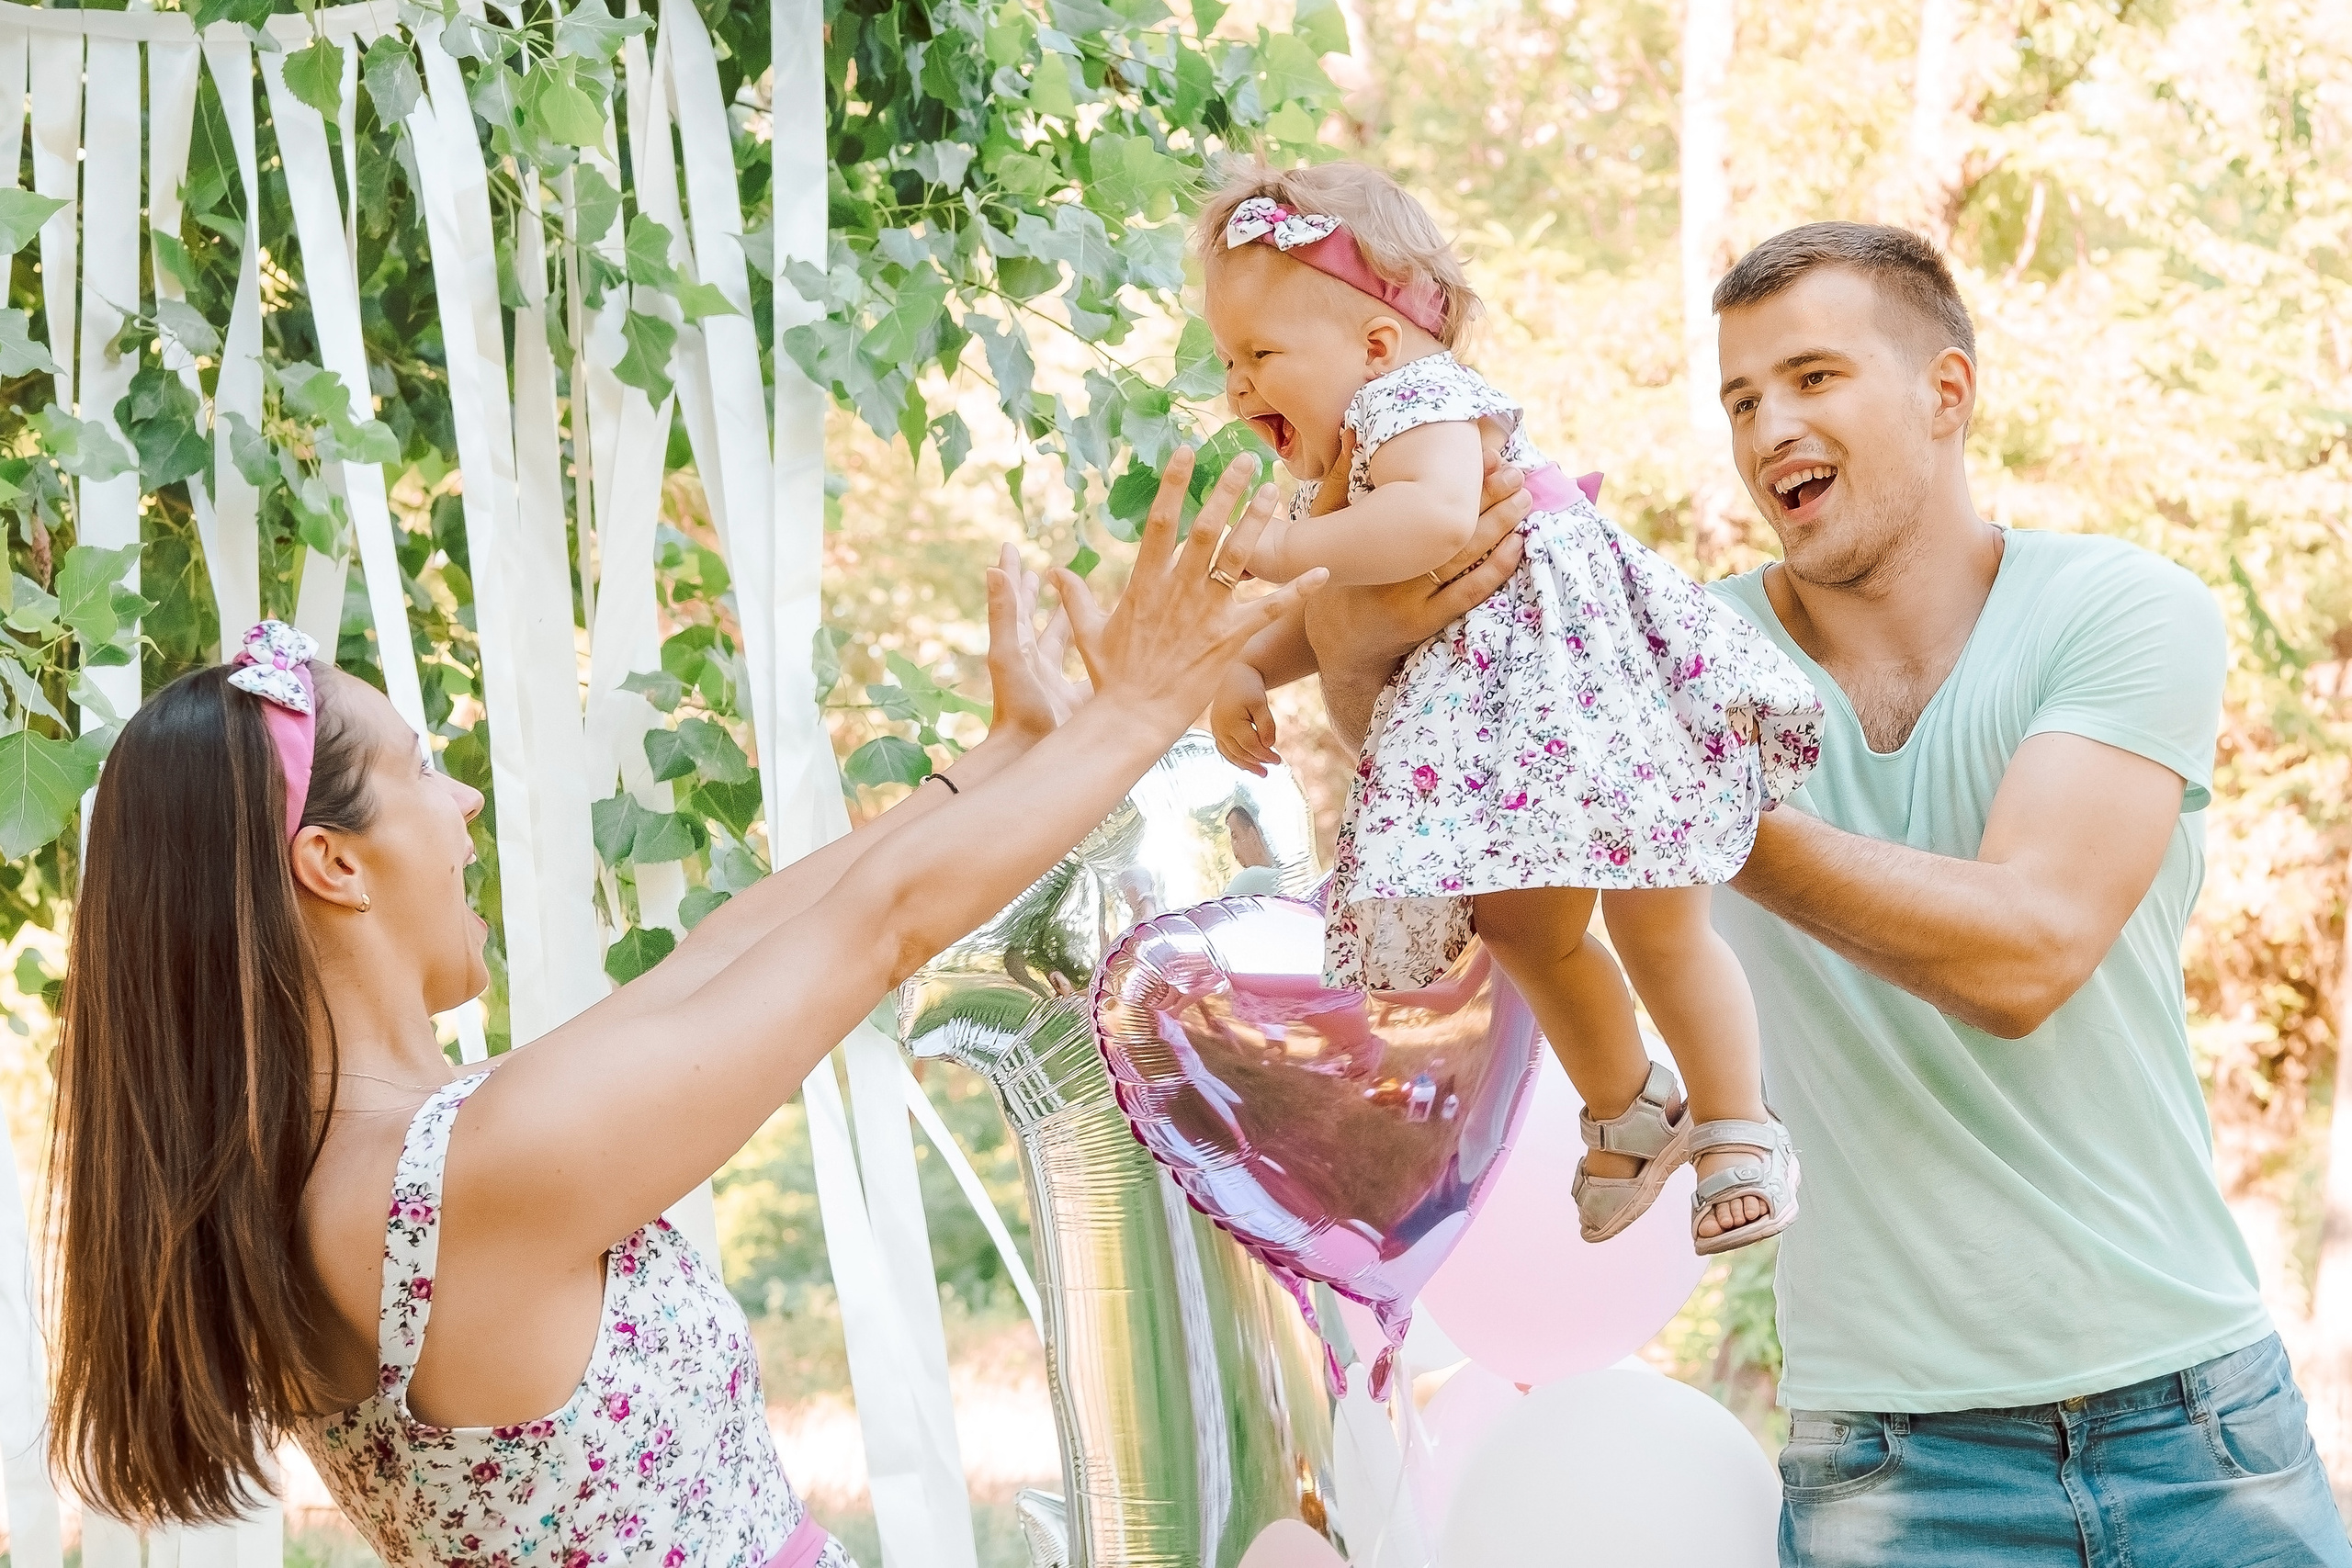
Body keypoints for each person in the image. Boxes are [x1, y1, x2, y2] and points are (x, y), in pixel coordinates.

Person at [45, 454, 1325, 1565]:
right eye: (423, 769)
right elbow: (877, 929)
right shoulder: (467, 1176)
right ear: (333, 862)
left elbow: (725, 952)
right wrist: (1136, 708)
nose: (463, 801)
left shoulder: (386, 1164)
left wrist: (999, 757)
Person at [1308, 220, 2352, 1565]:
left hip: (2200, 1430)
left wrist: (1667, 791)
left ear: (1946, 391)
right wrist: (1347, 648)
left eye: (1813, 377)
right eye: (1741, 399)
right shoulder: (1678, 646)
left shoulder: (2121, 608)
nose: (1769, 429)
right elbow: (1466, 789)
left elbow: (2025, 956)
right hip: (1893, 1469)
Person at [1199, 158, 1824, 1256]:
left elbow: (1436, 526)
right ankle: (1630, 1105)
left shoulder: (1419, 404)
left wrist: (1286, 547)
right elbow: (1348, 602)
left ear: (1377, 345)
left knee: (1656, 920)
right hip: (1528, 736)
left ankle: (1739, 1124)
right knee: (1522, 925)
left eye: (1260, 355)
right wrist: (1248, 663)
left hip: (1604, 701)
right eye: (1226, 362)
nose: (1239, 388)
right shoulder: (1354, 464)